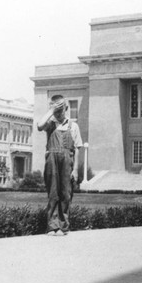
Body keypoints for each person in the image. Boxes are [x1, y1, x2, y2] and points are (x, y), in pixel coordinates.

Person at [37, 95, 83, 236]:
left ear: (66, 108)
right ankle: (52, 226)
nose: (58, 113)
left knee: (66, 193)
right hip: (52, 159)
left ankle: (63, 226)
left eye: (60, 109)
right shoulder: (50, 124)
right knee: (53, 193)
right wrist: (51, 110)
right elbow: (39, 126)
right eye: (56, 109)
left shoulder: (73, 125)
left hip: (67, 160)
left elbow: (78, 148)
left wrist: (75, 170)